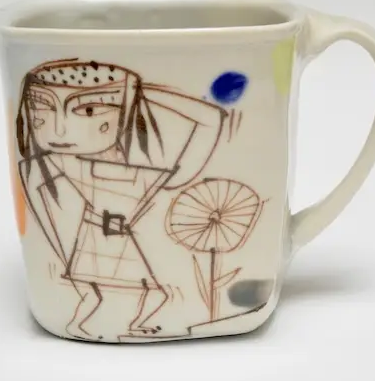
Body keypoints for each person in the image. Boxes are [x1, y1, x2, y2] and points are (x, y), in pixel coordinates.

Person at [15, 58, 225, 339]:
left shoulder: (135, 173)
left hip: (117, 239)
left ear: (125, 110)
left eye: (89, 109)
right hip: (99, 240)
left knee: (145, 293)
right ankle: (81, 326)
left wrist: (140, 91)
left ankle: (112, 325)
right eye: (42, 106)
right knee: (108, 294)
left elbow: (211, 120)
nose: (59, 130)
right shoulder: (63, 166)